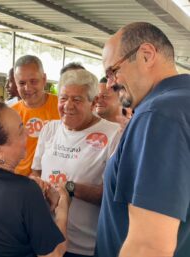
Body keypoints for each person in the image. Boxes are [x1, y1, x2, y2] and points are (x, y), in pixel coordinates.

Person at [95, 22, 190, 257]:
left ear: (146, 55)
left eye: (113, 71)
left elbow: (150, 246)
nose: (110, 84)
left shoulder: (158, 114)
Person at [0, 101, 70, 257]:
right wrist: (62, 210)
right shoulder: (26, 191)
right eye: (21, 131)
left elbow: (4, 225)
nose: (28, 134)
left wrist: (38, 206)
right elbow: (54, 253)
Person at [32, 69, 121, 257]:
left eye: (77, 100)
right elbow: (36, 173)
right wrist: (39, 186)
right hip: (46, 240)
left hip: (85, 246)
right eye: (63, 98)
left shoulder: (114, 134)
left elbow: (111, 195)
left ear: (94, 102)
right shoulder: (50, 129)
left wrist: (69, 188)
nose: (68, 106)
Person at [12, 55, 59, 176]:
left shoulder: (62, 108)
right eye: (22, 83)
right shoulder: (10, 114)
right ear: (16, 84)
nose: (28, 88)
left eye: (33, 81)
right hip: (18, 181)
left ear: (44, 79)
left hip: (52, 182)